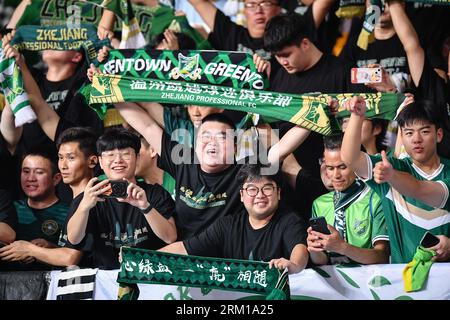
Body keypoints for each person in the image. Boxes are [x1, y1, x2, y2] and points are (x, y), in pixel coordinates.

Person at [341, 97, 450, 263]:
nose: (416, 139)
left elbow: (419, 189)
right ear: (402, 137)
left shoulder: (390, 171)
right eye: (409, 133)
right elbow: (351, 158)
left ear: (439, 134)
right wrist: (356, 116)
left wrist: (391, 176)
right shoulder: (390, 165)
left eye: (425, 131)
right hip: (403, 282)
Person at [160, 163, 309, 274]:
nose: (260, 195)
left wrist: (293, 265)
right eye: (252, 189)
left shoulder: (290, 220)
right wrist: (143, 259)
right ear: (242, 196)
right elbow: (184, 248)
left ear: (278, 193)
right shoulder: (227, 226)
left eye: (267, 188)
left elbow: (300, 249)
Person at [66, 127, 177, 269]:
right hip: (106, 280)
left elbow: (170, 237)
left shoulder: (155, 194)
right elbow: (74, 239)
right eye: (110, 155)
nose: (118, 160)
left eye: (125, 154)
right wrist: (84, 207)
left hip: (149, 274)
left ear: (137, 158)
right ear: (100, 161)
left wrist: (145, 206)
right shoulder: (89, 196)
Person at [0, 128, 99, 268]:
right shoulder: (11, 209)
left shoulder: (90, 201)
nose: (63, 165)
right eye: (61, 157)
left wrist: (30, 249)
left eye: (71, 158)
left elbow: (71, 257)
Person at [307, 133, 389, 265]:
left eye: (342, 167)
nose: (335, 175)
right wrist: (314, 250)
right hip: (334, 283)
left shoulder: (376, 199)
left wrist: (342, 247)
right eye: (330, 168)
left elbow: (382, 256)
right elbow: (322, 262)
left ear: (357, 163)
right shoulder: (319, 204)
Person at [0, 151, 69, 270]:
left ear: (56, 179)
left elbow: (78, 257)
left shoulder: (69, 212)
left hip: (51, 283)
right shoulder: (9, 209)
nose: (30, 178)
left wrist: (48, 247)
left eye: (39, 172)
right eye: (26, 171)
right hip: (9, 283)